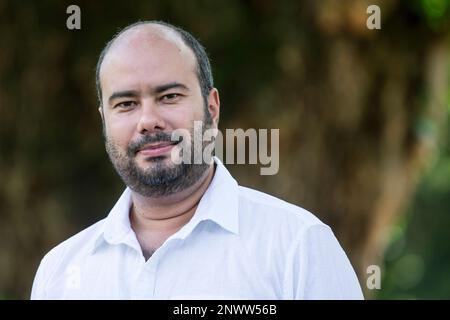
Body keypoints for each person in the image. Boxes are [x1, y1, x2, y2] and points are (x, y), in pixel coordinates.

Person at [31, 20, 363, 299]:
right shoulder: (60, 271)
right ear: (104, 119)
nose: (148, 120)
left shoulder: (297, 246)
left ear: (212, 109)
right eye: (126, 104)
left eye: (169, 96)